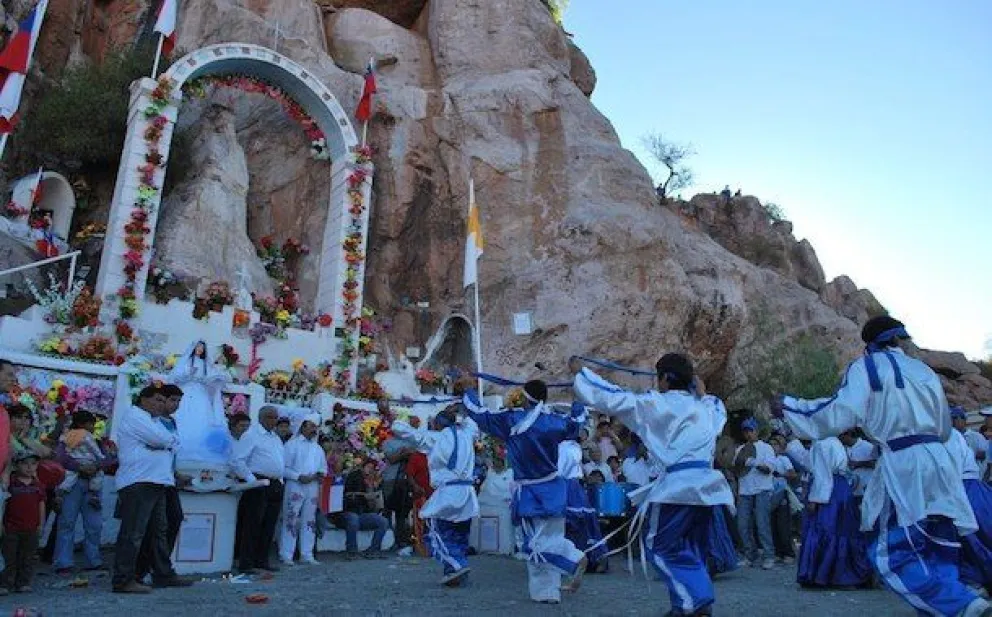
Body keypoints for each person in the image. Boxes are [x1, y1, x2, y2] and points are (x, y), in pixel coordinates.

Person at [774, 315, 990, 617]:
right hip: (941, 461)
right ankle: (954, 600)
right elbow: (943, 427)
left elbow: (839, 411)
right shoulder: (924, 370)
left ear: (869, 344)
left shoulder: (867, 367)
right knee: (938, 544)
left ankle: (962, 606)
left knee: (890, 552)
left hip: (904, 462)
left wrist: (788, 406)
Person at [572, 354, 734, 617]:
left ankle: (695, 602)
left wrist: (582, 374)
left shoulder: (654, 403)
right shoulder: (707, 407)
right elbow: (717, 407)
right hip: (708, 489)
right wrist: (702, 393)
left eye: (658, 376)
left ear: (666, 378)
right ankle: (684, 604)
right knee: (691, 546)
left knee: (661, 545)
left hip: (677, 489)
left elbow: (613, 397)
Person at [463, 379, 588, 605]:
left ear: (524, 397)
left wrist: (468, 395)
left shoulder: (512, 420)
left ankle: (572, 557)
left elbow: (480, 415)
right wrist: (578, 409)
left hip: (530, 491)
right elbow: (575, 424)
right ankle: (547, 592)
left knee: (534, 544)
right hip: (554, 487)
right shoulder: (554, 421)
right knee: (550, 536)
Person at [112, 384, 190, 593]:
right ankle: (123, 579)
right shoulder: (135, 416)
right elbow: (163, 439)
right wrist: (164, 443)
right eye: (157, 400)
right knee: (133, 533)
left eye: (163, 401)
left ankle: (162, 573)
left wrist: (164, 443)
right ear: (143, 399)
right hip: (139, 481)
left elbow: (173, 442)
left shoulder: (154, 421)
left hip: (157, 481)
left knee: (158, 532)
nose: (161, 404)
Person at [393, 405, 480, 586]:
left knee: (435, 531)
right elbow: (471, 420)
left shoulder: (435, 438)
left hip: (448, 492)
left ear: (438, 425)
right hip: (467, 492)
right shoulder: (468, 434)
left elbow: (399, 430)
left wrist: (403, 417)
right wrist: (460, 411)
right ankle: (453, 572)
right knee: (459, 532)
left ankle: (456, 565)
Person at [797, 437, 872, 588]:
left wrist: (815, 499)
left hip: (829, 492)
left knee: (824, 530)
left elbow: (823, 474)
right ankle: (843, 574)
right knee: (844, 530)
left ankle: (822, 575)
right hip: (841, 488)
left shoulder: (821, 443)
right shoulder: (835, 442)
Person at [135, 384, 188, 585]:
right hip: (152, 479)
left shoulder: (172, 422)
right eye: (171, 400)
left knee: (172, 520)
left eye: (178, 401)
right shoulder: (151, 421)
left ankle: (159, 567)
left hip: (168, 479)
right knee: (154, 527)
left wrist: (176, 473)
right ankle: (146, 570)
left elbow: (170, 452)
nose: (175, 405)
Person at [53, 410, 116, 574]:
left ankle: (92, 560)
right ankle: (64, 562)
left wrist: (94, 467)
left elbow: (109, 459)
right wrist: (81, 467)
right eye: (90, 423)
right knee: (68, 522)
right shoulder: (68, 437)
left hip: (87, 481)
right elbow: (60, 457)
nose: (92, 426)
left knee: (93, 524)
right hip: (77, 481)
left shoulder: (96, 439)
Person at [231, 406, 285, 574]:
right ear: (261, 417)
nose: (273, 421)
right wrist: (252, 481)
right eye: (270, 417)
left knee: (269, 525)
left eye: (275, 418)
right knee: (252, 524)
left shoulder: (275, 438)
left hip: (275, 484)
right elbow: (237, 461)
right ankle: (246, 563)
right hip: (258, 482)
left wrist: (280, 480)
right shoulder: (251, 435)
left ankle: (262, 560)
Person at [947, 408, 992, 594]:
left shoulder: (949, 438)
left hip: (964, 488)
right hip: (973, 487)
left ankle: (975, 579)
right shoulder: (953, 437)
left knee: (968, 535)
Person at [170, 340, 232, 468]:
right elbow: (176, 378)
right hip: (187, 392)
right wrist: (189, 374)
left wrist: (218, 378)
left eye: (202, 347)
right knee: (186, 416)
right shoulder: (187, 361)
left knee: (202, 418)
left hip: (201, 393)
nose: (200, 349)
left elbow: (212, 377)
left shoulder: (205, 364)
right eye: (198, 347)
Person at [559, 426, 608, 574]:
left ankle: (586, 558)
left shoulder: (567, 448)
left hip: (569, 486)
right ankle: (588, 558)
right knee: (580, 521)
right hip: (570, 486)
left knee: (576, 521)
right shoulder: (571, 448)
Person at [278, 415, 327, 566]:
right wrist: (298, 476)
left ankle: (306, 554)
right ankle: (286, 554)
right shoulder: (291, 445)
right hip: (295, 485)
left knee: (309, 520)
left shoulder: (317, 448)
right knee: (290, 519)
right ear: (303, 426)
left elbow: (323, 467)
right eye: (311, 426)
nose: (314, 430)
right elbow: (282, 468)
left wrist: (320, 474)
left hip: (312, 487)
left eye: (315, 427)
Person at [733, 417, 776, 570]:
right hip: (744, 490)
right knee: (742, 524)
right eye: (746, 431)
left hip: (762, 489)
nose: (748, 434)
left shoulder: (767, 448)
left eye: (750, 430)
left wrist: (753, 462)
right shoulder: (739, 450)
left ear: (756, 431)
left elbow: (768, 469)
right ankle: (749, 555)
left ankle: (769, 555)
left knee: (762, 523)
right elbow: (735, 470)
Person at [1, 451, 45, 594]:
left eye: (33, 464)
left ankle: (23, 583)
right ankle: (5, 584)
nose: (29, 467)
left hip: (31, 527)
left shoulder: (37, 485)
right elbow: (3, 504)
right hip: (11, 527)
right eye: (25, 463)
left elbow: (41, 504)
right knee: (9, 557)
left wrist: (41, 524)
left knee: (27, 557)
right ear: (17, 465)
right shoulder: (11, 483)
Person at [333, 459, 390, 559]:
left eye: (373, 468)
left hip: (362, 513)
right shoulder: (353, 476)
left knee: (383, 521)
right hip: (347, 512)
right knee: (353, 519)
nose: (370, 470)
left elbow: (374, 507)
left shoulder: (373, 481)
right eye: (369, 467)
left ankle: (373, 550)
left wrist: (373, 493)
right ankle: (352, 551)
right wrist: (364, 496)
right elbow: (346, 496)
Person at [56, 411, 106, 510]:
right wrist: (101, 458)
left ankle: (59, 496)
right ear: (81, 424)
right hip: (89, 462)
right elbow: (94, 448)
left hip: (74, 462)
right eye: (91, 424)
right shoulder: (87, 435)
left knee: (68, 478)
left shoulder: (68, 434)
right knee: (97, 477)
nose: (93, 427)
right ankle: (94, 496)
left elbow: (64, 449)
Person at [769, 434, 798, 565]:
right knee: (772, 524)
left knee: (782, 524)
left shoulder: (783, 459)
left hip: (781, 492)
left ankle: (788, 552)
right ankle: (778, 552)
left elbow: (793, 474)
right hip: (768, 493)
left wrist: (780, 474)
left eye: (775, 444)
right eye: (771, 444)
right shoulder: (767, 459)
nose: (773, 446)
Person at [840, 428, 878, 507]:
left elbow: (876, 464)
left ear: (848, 435)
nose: (840, 439)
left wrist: (858, 464)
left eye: (841, 437)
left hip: (865, 488)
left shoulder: (867, 446)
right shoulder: (843, 448)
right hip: (851, 490)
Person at [952, 407, 989, 483]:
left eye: (955, 418)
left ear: (964, 420)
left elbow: (985, 457)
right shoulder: (947, 439)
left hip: (974, 480)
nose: (953, 421)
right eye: (952, 418)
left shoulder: (976, 437)